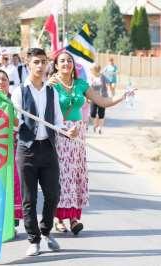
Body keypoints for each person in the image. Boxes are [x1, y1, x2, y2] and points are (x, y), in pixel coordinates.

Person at [49, 51, 134, 235]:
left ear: (73, 65)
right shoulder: (52, 85)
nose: (66, 63)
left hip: (78, 135)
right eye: (62, 61)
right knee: (63, 176)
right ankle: (57, 217)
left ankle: (73, 218)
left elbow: (102, 101)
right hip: (60, 134)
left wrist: (123, 95)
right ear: (56, 65)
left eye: (69, 60)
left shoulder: (81, 84)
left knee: (76, 175)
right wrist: (46, 85)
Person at [12, 48, 77, 256]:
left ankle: (46, 231)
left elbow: (58, 122)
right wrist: (14, 120)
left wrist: (69, 131)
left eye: (43, 62)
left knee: (53, 194)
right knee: (29, 198)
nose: (40, 66)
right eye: (36, 62)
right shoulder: (19, 92)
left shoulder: (52, 91)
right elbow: (16, 125)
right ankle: (34, 240)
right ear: (28, 64)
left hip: (48, 149)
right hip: (27, 149)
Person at [0, 69, 23, 227]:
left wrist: (8, 110)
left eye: (4, 80)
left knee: (13, 183)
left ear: (9, 84)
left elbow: (19, 124)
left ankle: (11, 221)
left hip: (12, 149)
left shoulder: (15, 102)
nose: (0, 82)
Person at [89, 64, 108, 134]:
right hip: (94, 98)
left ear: (95, 70)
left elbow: (107, 84)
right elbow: (89, 88)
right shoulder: (91, 77)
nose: (90, 71)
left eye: (92, 70)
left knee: (101, 113)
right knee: (92, 113)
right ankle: (95, 124)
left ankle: (100, 128)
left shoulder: (102, 77)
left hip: (102, 98)